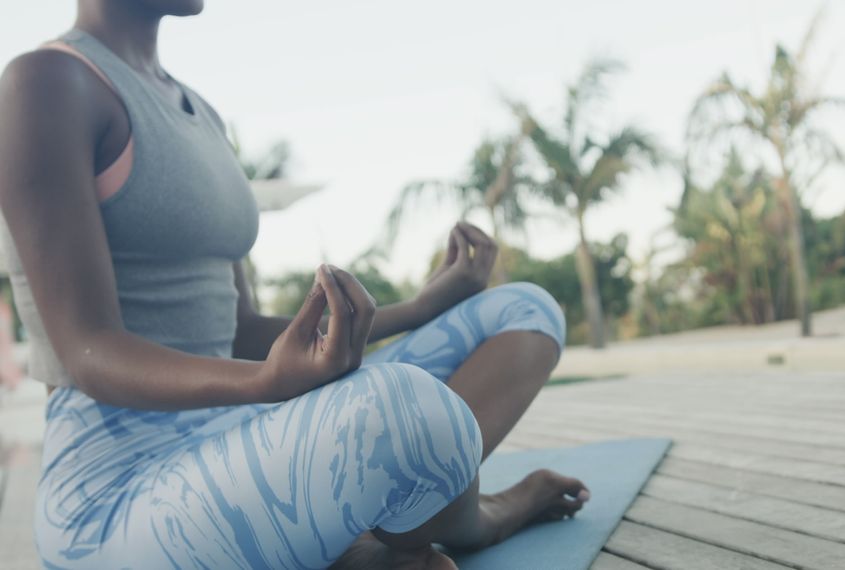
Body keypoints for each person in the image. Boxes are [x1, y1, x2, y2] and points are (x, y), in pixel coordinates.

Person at [0, 1, 588, 568]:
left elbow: (241, 330)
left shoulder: (201, 113)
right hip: (116, 485)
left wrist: (421, 307)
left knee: (524, 311)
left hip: (238, 433)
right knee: (411, 412)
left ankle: (368, 538)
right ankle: (482, 516)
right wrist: (263, 384)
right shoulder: (46, 82)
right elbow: (86, 350)